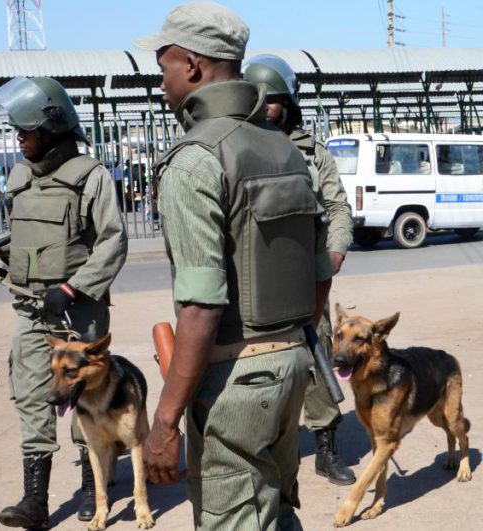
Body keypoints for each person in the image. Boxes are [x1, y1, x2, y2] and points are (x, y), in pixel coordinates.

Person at [136, 3, 324, 529]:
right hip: (290, 366)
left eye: (165, 66)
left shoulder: (195, 159)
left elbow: (200, 306)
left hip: (237, 380)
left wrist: (166, 420)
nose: (163, 81)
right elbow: (318, 273)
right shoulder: (285, 150)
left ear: (193, 66)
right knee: (278, 513)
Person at [0, 76, 128, 529]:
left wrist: (72, 287)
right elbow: (25, 241)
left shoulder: (91, 176)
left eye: (24, 131)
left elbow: (112, 243)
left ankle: (93, 488)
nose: (18, 139)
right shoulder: (21, 176)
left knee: (86, 396)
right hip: (30, 310)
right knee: (31, 397)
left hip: (77, 310)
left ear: (50, 128)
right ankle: (35, 502)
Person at [244, 54, 356, 486]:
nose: (265, 106)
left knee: (317, 357)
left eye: (273, 99)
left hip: (307, 277)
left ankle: (326, 450)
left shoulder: (313, 152)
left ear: (289, 101)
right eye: (258, 98)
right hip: (257, 278)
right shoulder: (241, 148)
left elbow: (338, 206)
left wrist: (336, 251)